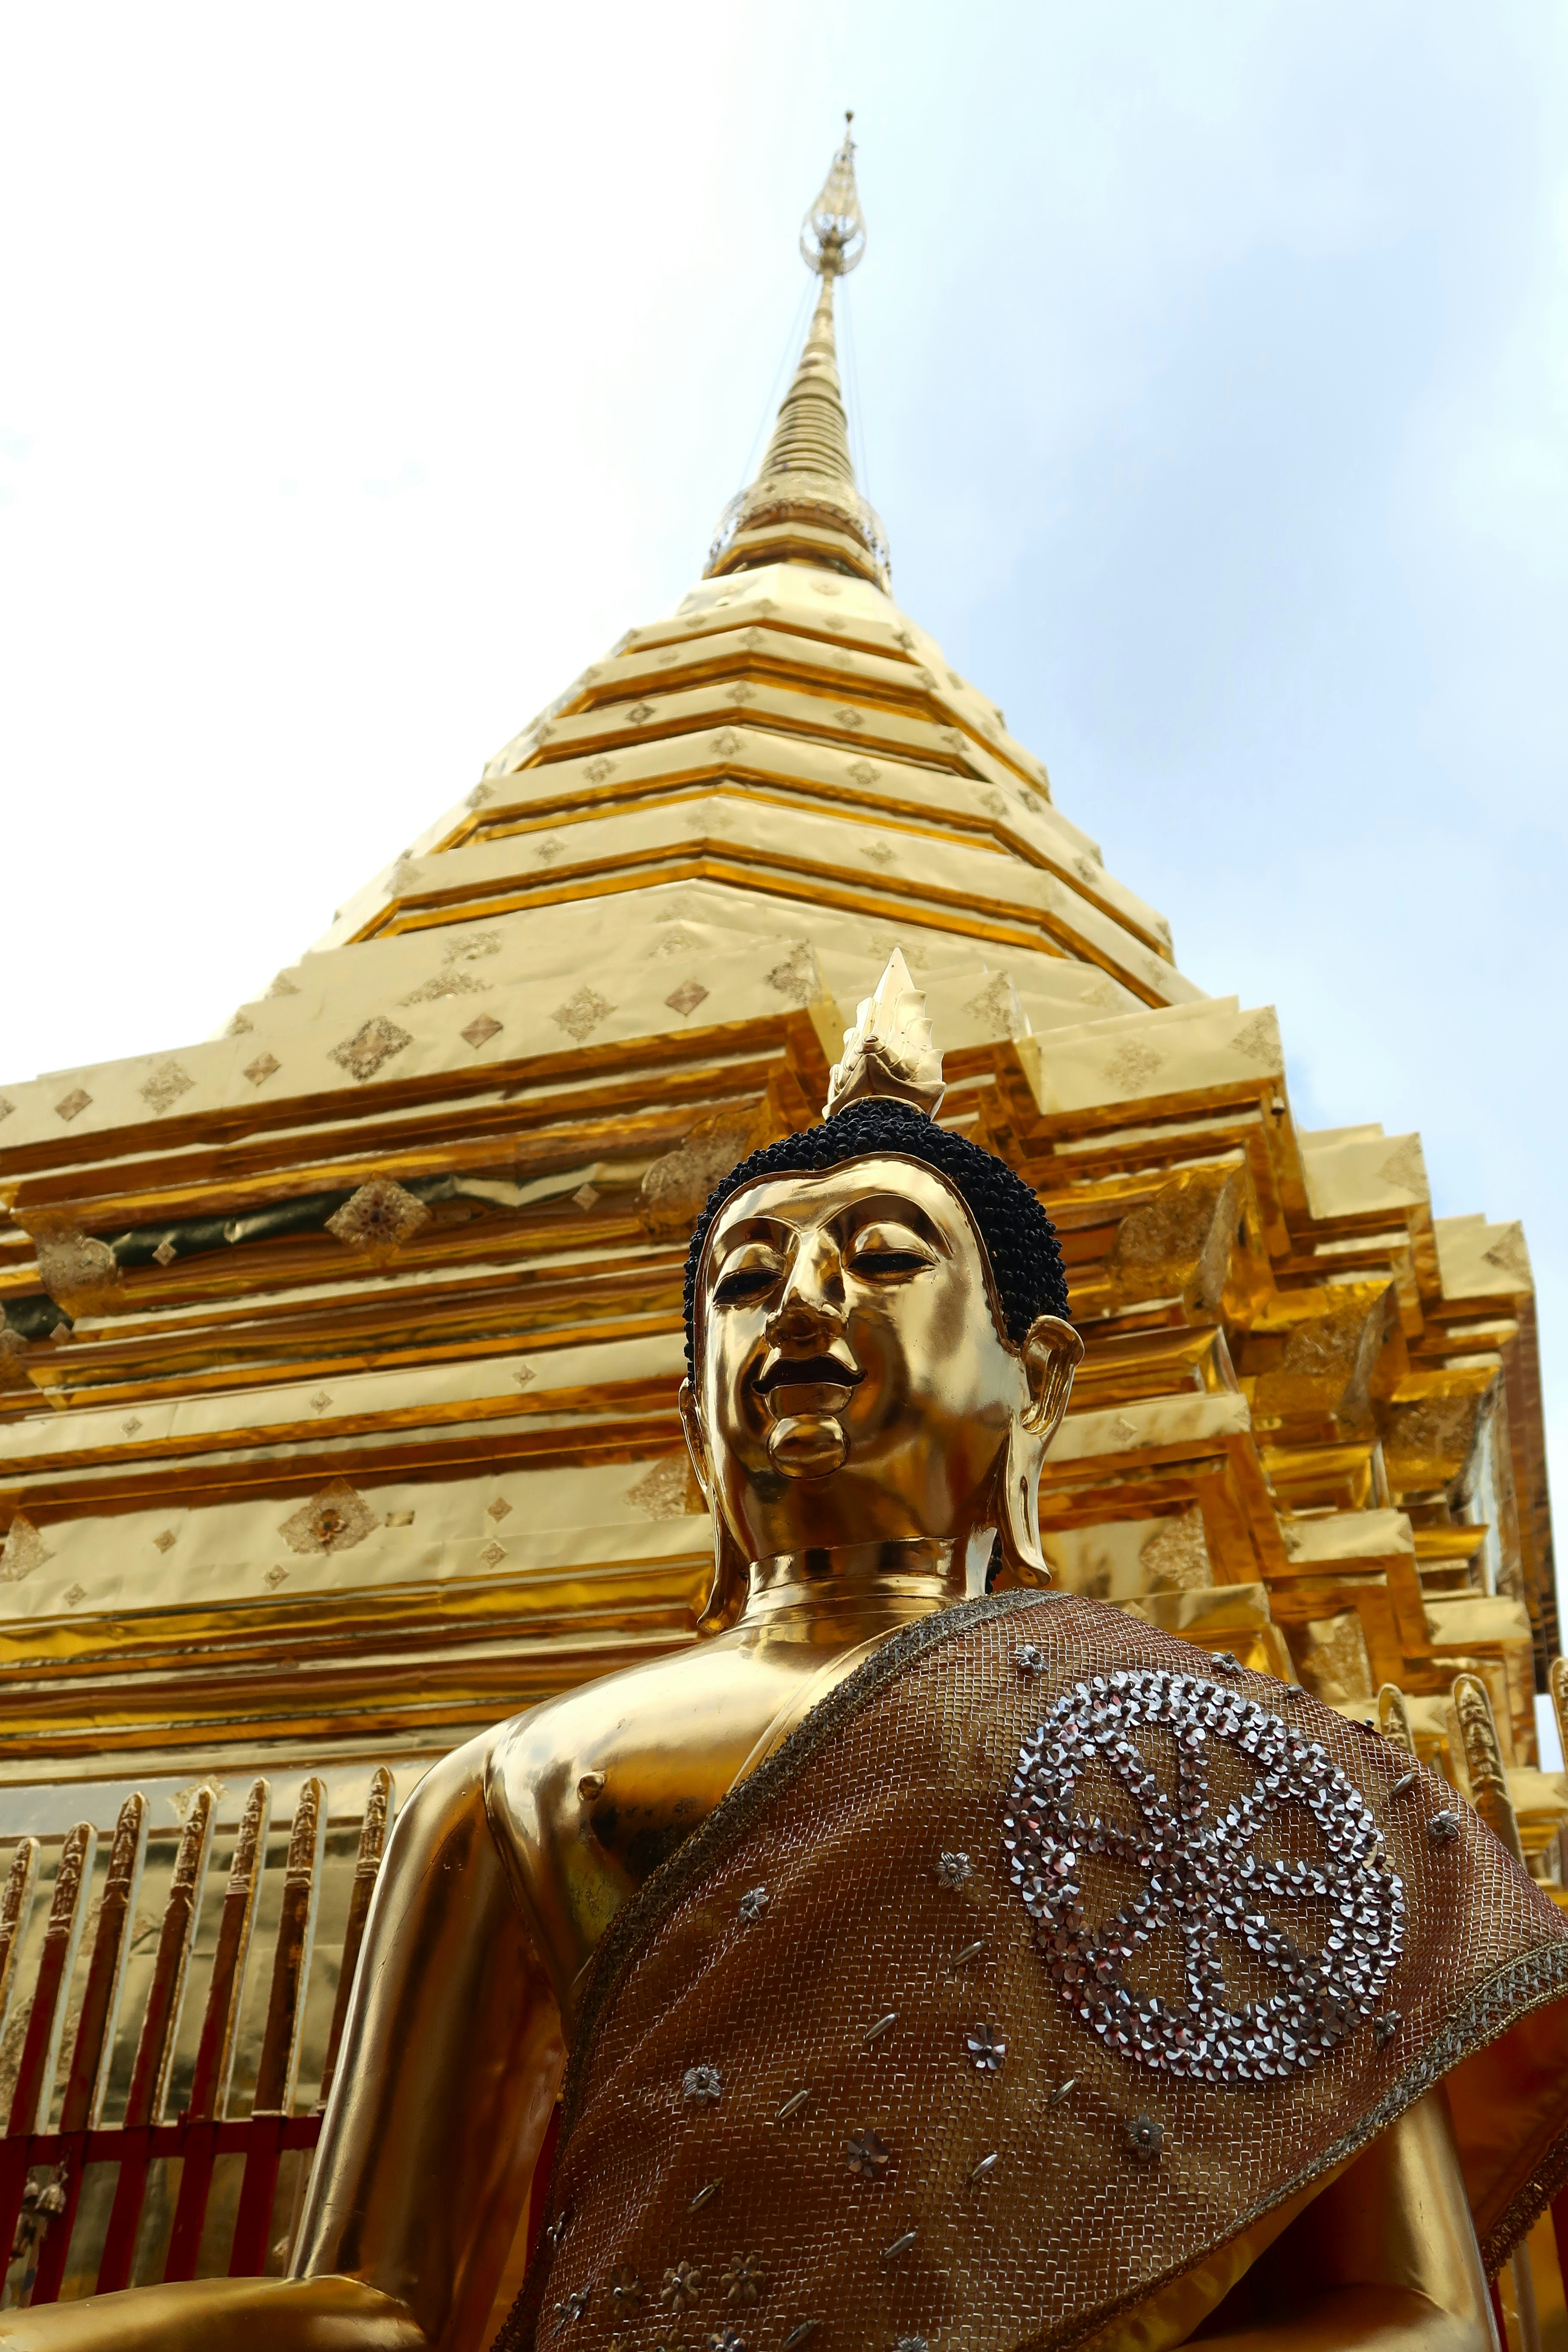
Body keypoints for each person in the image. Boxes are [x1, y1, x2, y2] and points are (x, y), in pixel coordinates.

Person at [7, 956, 1566, 2352]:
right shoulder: (522, 1783)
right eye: (745, 1282)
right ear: (690, 1415)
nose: (802, 1302)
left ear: (1038, 1383)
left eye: (883, 1260)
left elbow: (1416, 2318)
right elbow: (382, 2307)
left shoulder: (1216, 1753)